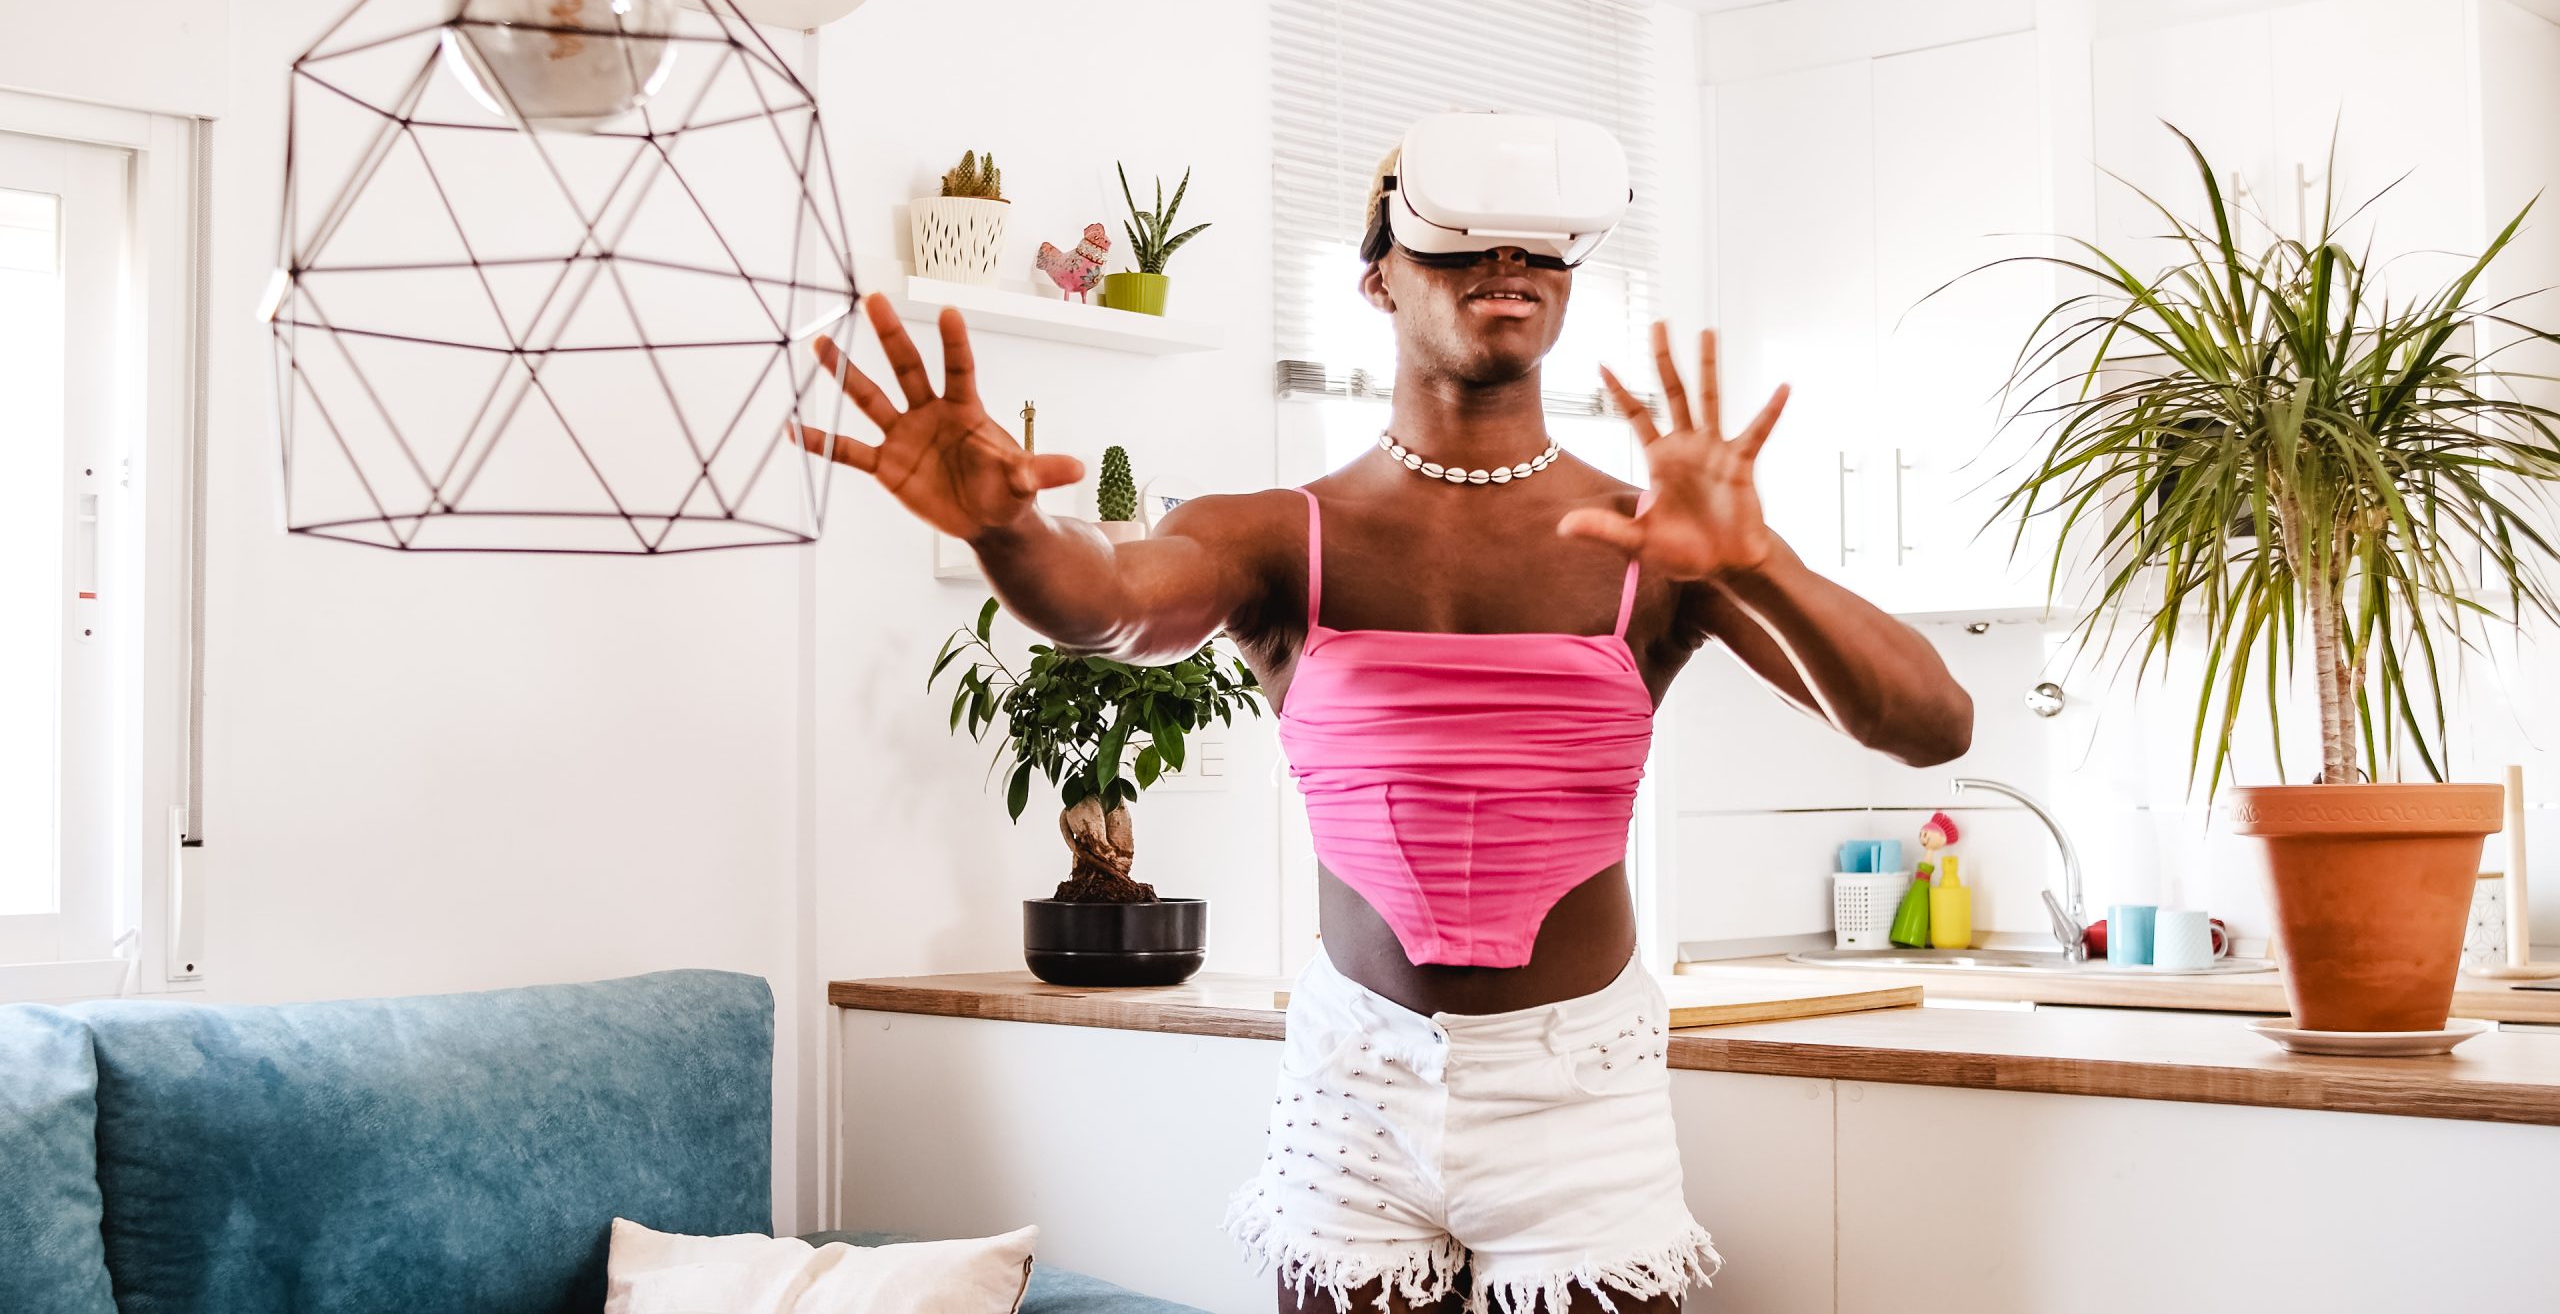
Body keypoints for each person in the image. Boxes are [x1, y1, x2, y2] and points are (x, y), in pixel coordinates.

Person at [797, 136, 1973, 1314]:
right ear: (1377, 277)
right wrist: (1008, 534)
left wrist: (1754, 563)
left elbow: (1931, 724)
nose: (1505, 259)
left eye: (1538, 243)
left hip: (1577, 1095)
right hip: (1352, 1085)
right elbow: (1107, 606)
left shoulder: (1652, 544)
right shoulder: (1272, 534)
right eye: (1459, 236)